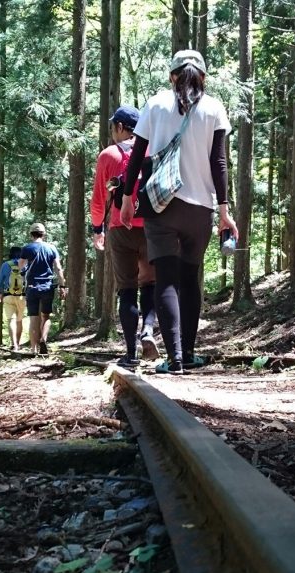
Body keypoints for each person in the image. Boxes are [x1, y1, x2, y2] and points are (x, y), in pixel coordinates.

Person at [119, 49, 238, 375]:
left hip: (161, 205)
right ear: (203, 77)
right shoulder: (214, 107)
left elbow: (138, 154)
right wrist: (224, 211)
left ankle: (175, 360)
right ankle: (188, 351)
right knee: (189, 278)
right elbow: (219, 162)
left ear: (172, 76)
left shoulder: (156, 104)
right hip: (200, 209)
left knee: (166, 279)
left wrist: (128, 198)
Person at [90, 104, 159, 368]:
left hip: (121, 228)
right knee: (150, 284)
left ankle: (131, 354)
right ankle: (148, 330)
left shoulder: (109, 155)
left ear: (120, 127)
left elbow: (99, 199)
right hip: (151, 227)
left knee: (127, 289)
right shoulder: (152, 151)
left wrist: (98, 228)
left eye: (113, 127)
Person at [19, 223, 66, 355]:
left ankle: (33, 349)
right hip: (47, 286)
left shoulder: (27, 248)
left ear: (31, 234)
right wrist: (62, 285)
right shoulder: (51, 248)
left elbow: (20, 267)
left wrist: (24, 277)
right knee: (46, 316)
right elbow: (58, 268)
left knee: (33, 318)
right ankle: (43, 339)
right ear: (43, 234)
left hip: (32, 286)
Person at [0, 246, 26, 351]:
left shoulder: (6, 265)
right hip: (22, 296)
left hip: (8, 295)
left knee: (11, 320)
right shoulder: (25, 264)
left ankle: (14, 344)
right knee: (19, 320)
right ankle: (18, 343)